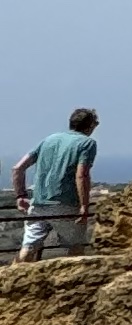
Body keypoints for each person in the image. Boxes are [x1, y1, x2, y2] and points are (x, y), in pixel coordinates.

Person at [15, 105, 99, 260]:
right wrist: (84, 206)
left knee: (28, 248)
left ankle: (13, 280)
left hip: (38, 203)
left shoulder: (49, 139)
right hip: (66, 204)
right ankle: (72, 282)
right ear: (91, 125)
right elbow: (82, 175)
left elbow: (18, 168)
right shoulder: (87, 143)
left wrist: (20, 196)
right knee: (75, 250)